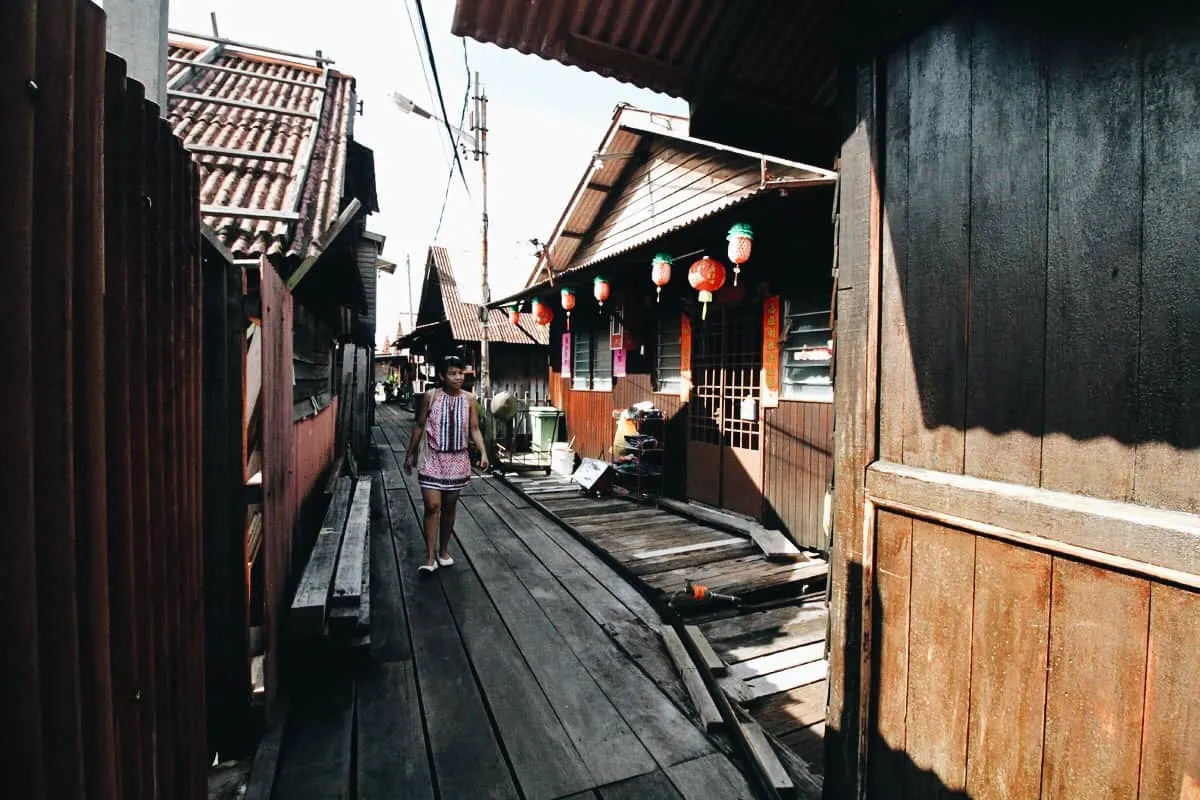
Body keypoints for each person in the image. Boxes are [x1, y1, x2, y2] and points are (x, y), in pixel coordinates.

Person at [403, 355, 488, 573]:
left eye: (460, 373)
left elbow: (475, 429)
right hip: (432, 458)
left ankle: (444, 550)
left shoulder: (470, 399)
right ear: (442, 376)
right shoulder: (431, 397)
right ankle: (430, 557)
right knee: (433, 507)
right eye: (452, 373)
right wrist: (410, 454)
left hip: (457, 460)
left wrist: (483, 452)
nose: (458, 377)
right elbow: (420, 425)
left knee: (449, 508)